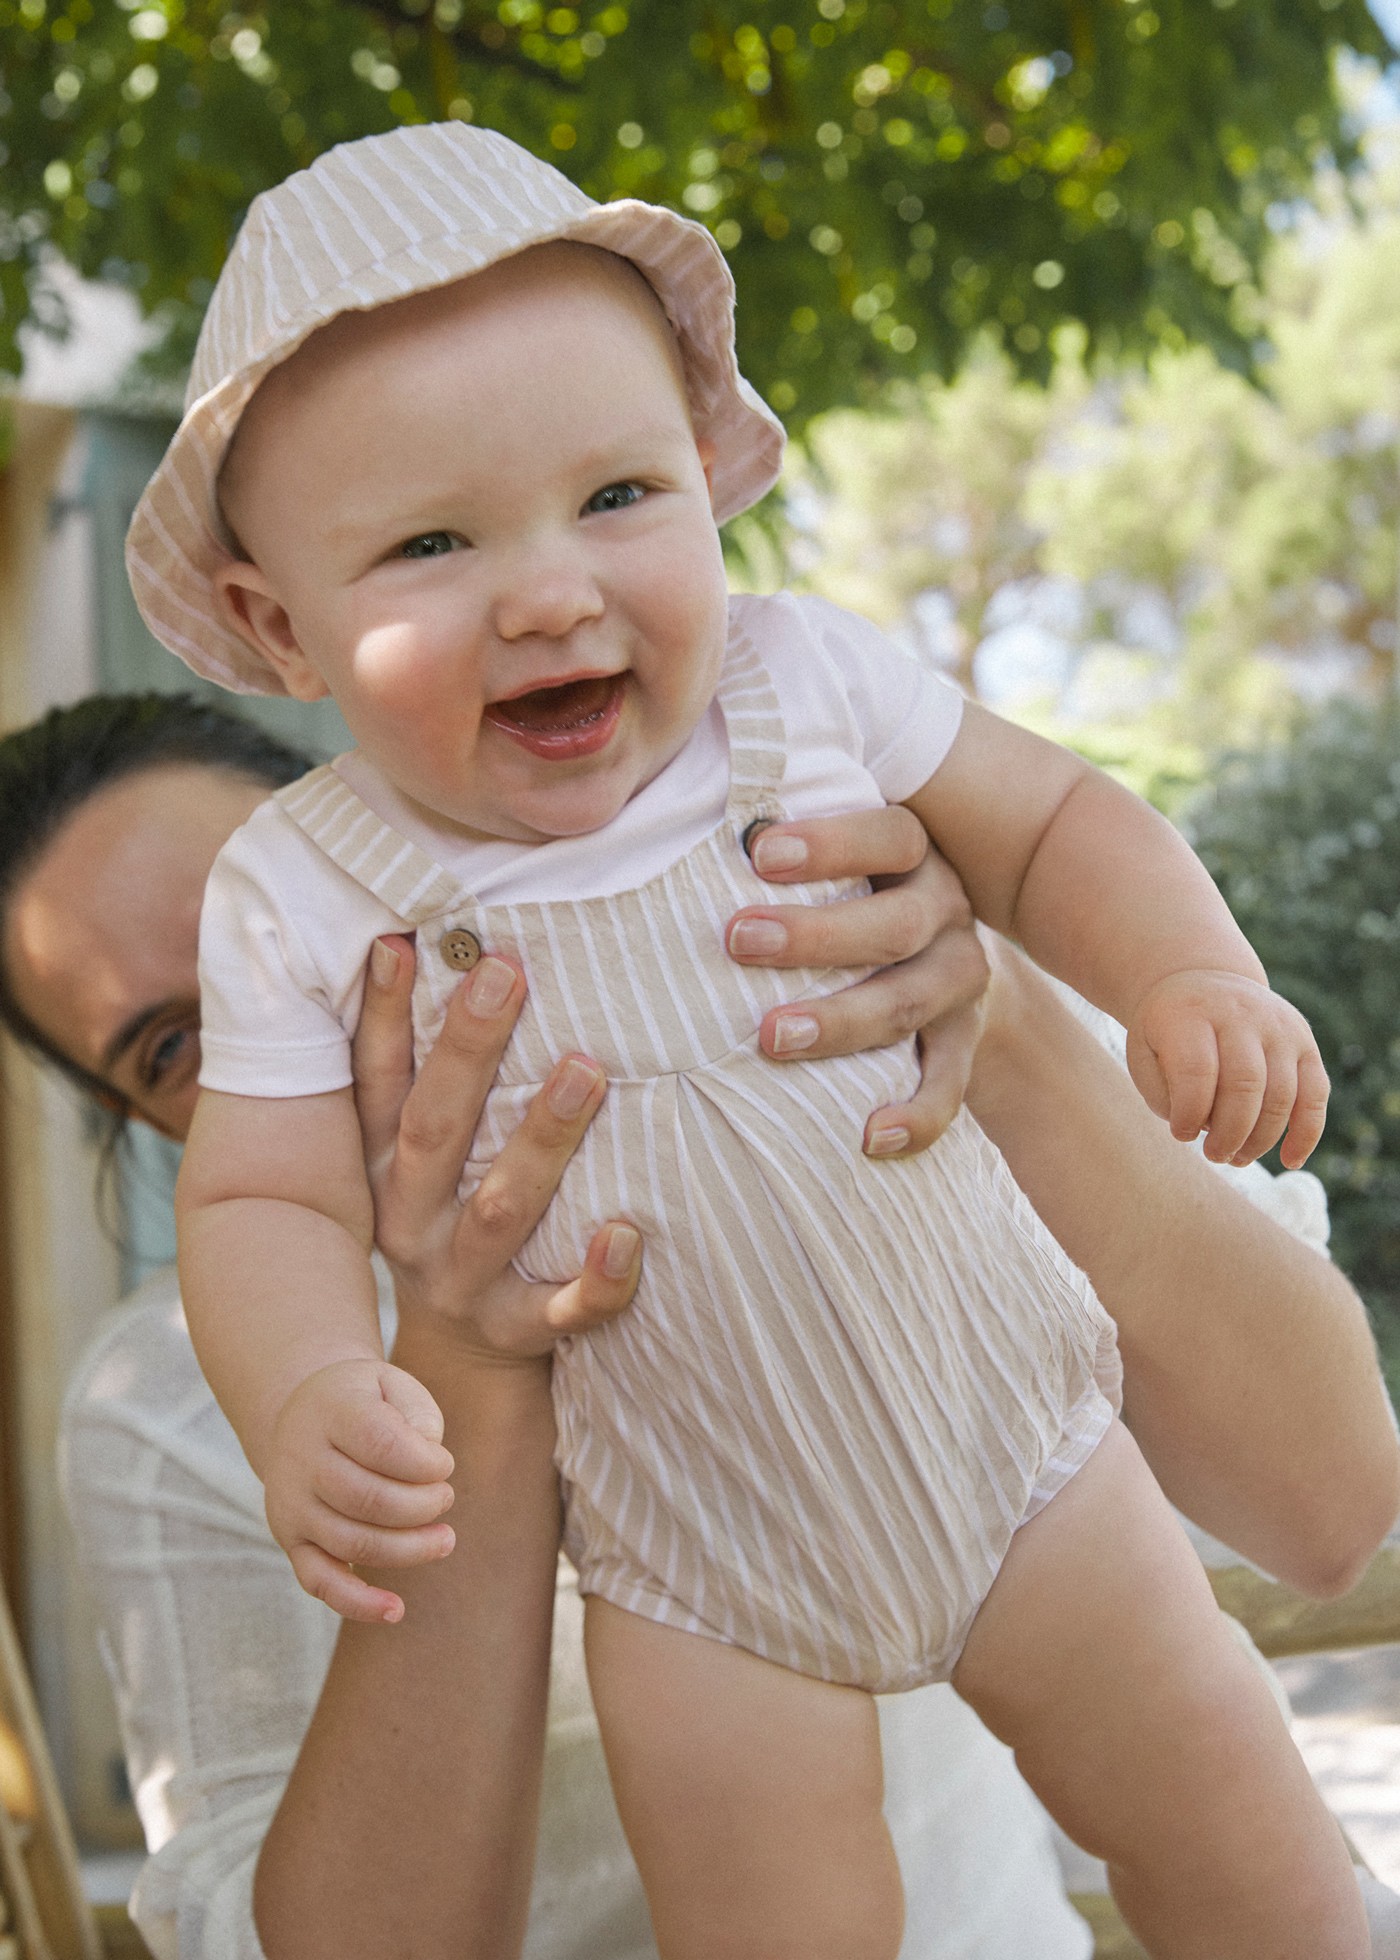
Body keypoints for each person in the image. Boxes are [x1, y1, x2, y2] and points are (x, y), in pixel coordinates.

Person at [124, 126, 1368, 1957]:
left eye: (615, 496)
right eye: (433, 542)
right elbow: (260, 1205)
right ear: (268, 621)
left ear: (710, 474)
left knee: (1238, 1834)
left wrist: (1189, 973)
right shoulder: (304, 891)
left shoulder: (808, 683)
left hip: (1012, 1437)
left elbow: (1057, 827)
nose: (548, 590)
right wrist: (311, 1387)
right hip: (697, 1567)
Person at [0, 695, 1393, 1958]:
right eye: (183, 1046)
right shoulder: (179, 1400)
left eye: (281, 936)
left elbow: (1324, 1506)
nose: (284, 1020)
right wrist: (468, 1363)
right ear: (145, 1121)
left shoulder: (834, 1008)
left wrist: (999, 1020)